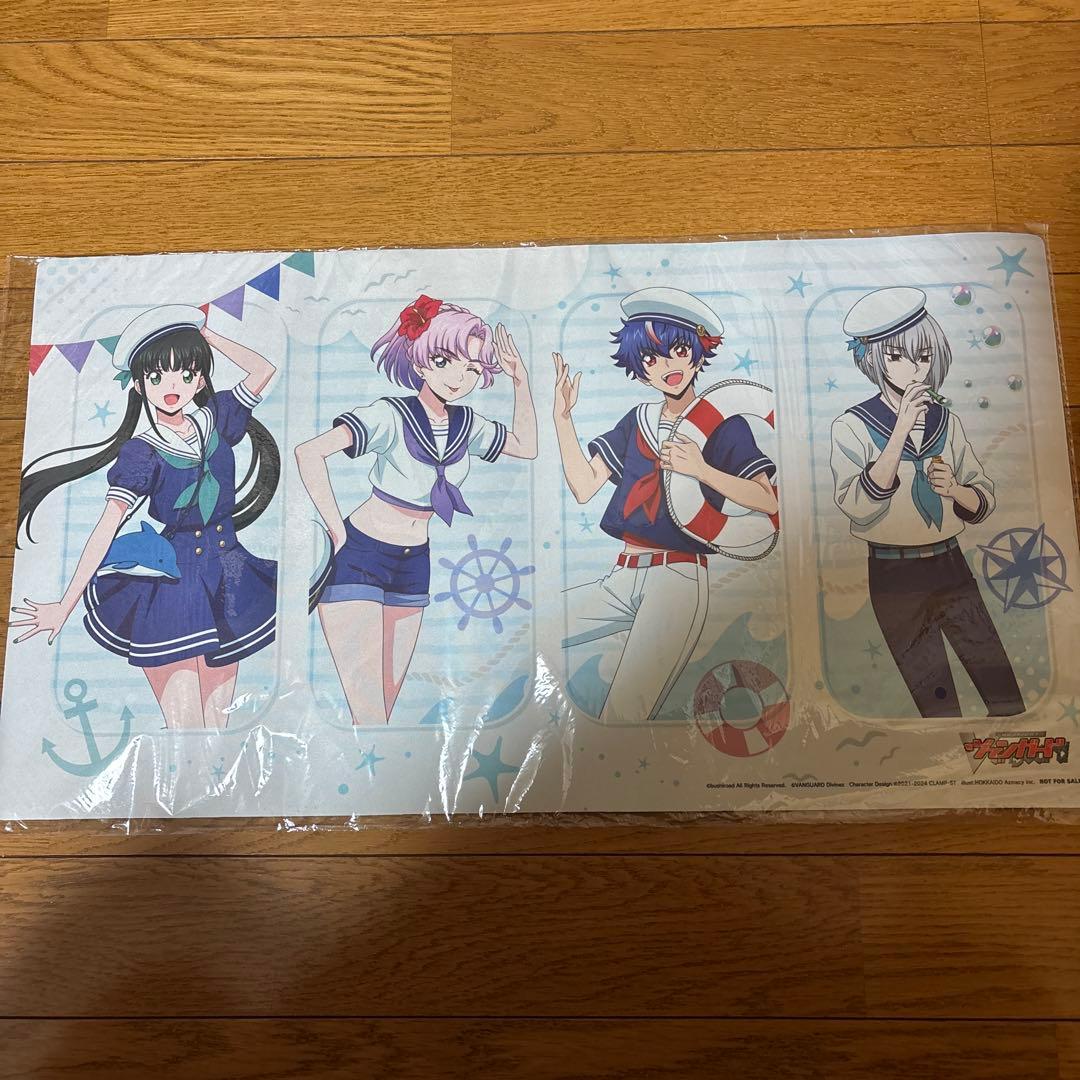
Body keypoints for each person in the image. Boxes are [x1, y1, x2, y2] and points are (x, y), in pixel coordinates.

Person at [13, 305, 280, 729]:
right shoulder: (142, 451)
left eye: (185, 373)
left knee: (219, 727)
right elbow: (107, 525)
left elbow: (263, 369)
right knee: (186, 730)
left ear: (201, 378)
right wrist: (65, 604)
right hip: (173, 584)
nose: (171, 386)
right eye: (156, 376)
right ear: (139, 385)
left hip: (229, 577)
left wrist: (205, 335)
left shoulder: (217, 419)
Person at [296, 295, 537, 725]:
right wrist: (336, 530)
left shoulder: (468, 424)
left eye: (472, 368)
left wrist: (520, 380)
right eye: (445, 361)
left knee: (384, 711)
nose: (458, 377)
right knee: (369, 711)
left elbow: (526, 447)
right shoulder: (389, 414)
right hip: (360, 555)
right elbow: (308, 452)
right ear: (421, 360)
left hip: (414, 562)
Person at [554, 287, 777, 724]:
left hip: (677, 579)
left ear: (698, 351)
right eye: (650, 358)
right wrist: (563, 418)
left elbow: (766, 499)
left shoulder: (725, 426)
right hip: (621, 574)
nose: (667, 366)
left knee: (625, 710)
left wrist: (703, 471)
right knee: (541, 629)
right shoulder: (637, 421)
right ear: (639, 370)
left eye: (678, 350)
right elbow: (583, 486)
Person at [830, 286, 1023, 717]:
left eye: (923, 356)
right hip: (892, 572)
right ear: (874, 360)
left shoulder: (946, 421)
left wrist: (954, 490)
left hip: (950, 563)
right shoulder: (851, 426)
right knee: (936, 701)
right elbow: (856, 505)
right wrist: (901, 429)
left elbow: (982, 495)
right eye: (897, 356)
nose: (914, 368)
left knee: (1001, 687)